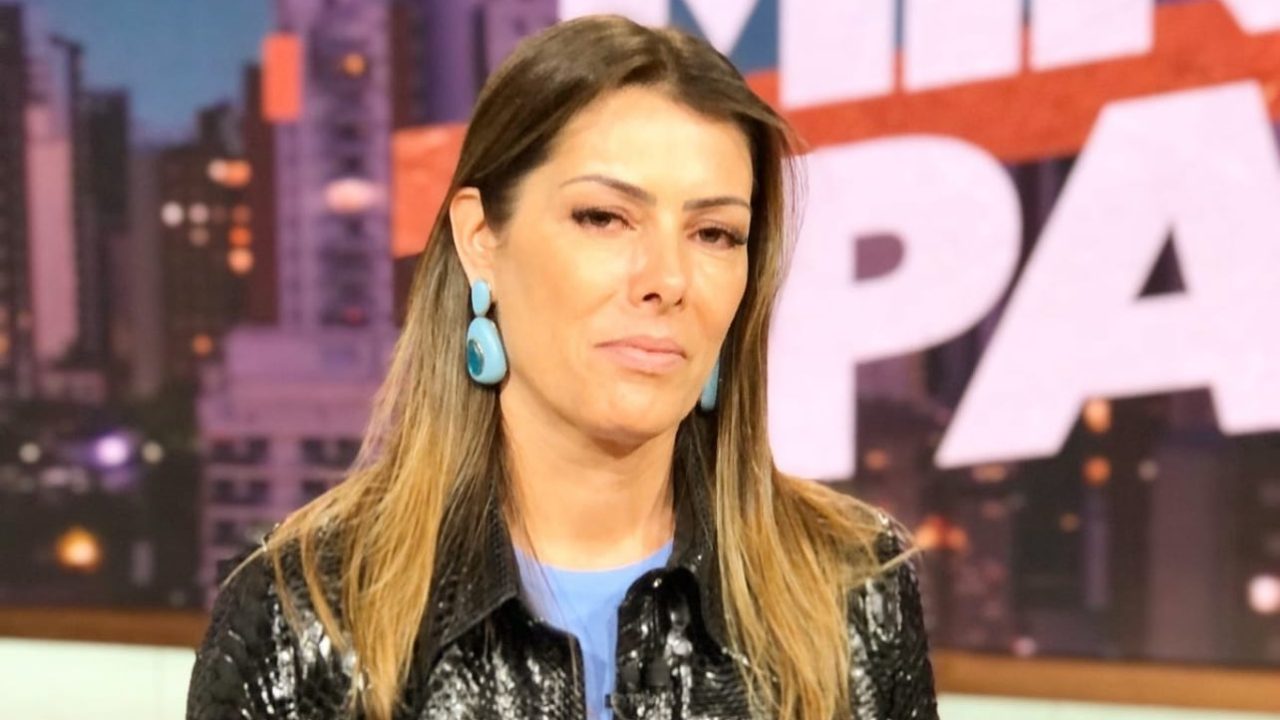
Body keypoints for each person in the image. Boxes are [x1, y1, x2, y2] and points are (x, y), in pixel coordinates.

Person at [186, 14, 938, 720]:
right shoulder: (305, 613)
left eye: (714, 233)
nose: (667, 279)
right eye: (604, 218)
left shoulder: (853, 589)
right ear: (481, 238)